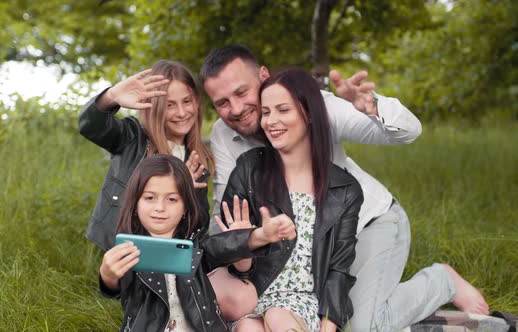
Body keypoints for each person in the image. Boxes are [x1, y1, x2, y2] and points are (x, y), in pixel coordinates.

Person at [200, 45, 489, 331]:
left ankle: (440, 282)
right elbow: (227, 213)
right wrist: (237, 249)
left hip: (367, 223)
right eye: (222, 102)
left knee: (364, 325)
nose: (236, 109)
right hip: (300, 246)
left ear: (264, 75)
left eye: (241, 92)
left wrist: (372, 106)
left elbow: (407, 134)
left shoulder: (318, 107)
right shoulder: (225, 135)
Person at [218, 67, 363, 331]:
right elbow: (227, 262)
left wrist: (327, 328)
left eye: (283, 110)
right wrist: (242, 247)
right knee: (248, 329)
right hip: (251, 297)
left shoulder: (345, 189)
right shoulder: (249, 170)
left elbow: (338, 272)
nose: (271, 121)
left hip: (303, 303)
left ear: (308, 113)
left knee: (278, 317)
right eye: (266, 112)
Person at [98, 154, 297, 331]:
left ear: (185, 206)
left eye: (172, 200)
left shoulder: (193, 248)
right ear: (135, 203)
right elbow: (116, 288)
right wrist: (108, 275)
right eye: (149, 198)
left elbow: (224, 245)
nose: (160, 207)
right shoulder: (131, 249)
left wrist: (261, 235)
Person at [79, 60, 214, 251]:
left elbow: (199, 228)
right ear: (155, 106)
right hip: (120, 249)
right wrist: (111, 96)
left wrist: (186, 194)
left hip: (162, 257)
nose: (182, 112)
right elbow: (90, 126)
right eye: (170, 105)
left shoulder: (196, 159)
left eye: (187, 101)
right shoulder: (132, 138)